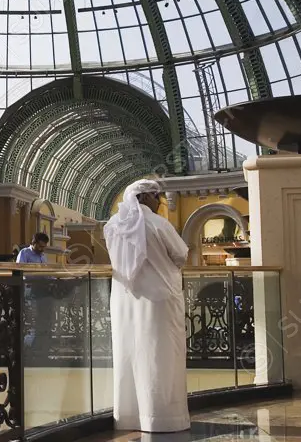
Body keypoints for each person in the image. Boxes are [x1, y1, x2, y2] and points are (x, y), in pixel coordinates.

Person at [104, 179, 191, 433]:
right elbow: (181, 255)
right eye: (157, 196)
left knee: (130, 354)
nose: (159, 201)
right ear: (144, 198)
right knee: (161, 356)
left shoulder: (112, 226)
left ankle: (130, 417)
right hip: (160, 301)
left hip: (125, 301)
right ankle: (164, 419)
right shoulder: (158, 223)